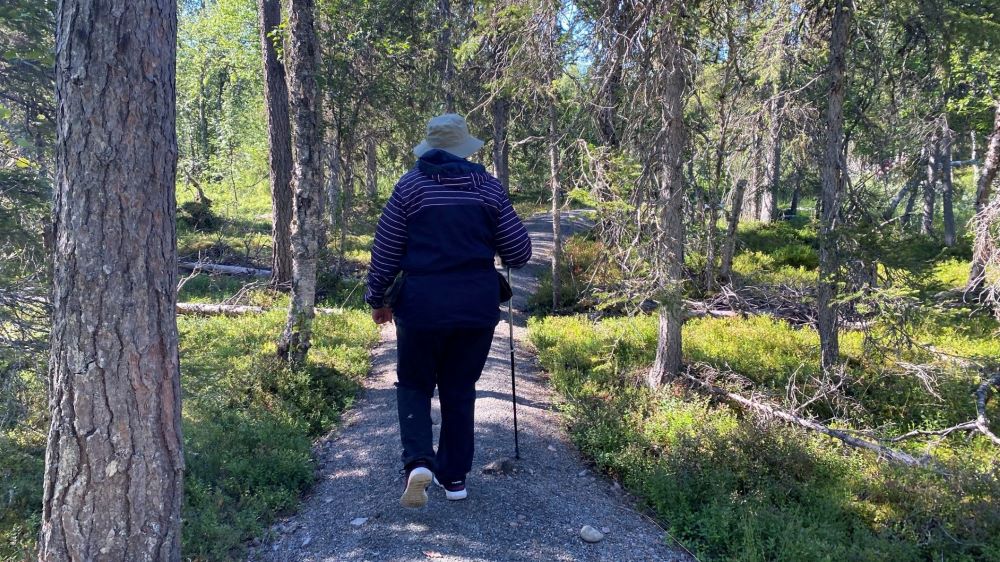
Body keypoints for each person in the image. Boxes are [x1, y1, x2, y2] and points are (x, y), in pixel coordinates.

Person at [365, 113, 532, 508]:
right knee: (459, 388)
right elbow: (520, 252)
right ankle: (454, 477)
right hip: (476, 306)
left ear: (429, 149)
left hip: (421, 306)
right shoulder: (488, 189)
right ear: (464, 149)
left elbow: (385, 251)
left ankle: (418, 463)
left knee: (415, 384)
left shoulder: (410, 187)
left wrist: (379, 300)